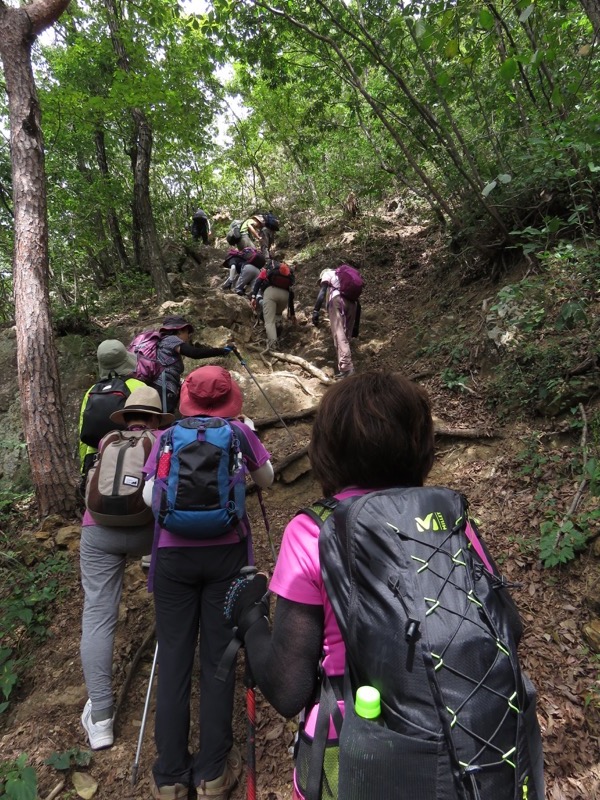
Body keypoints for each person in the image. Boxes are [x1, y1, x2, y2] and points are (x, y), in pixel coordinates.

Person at [223, 371, 543, 800]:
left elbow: (288, 687)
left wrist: (250, 619)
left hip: (356, 760)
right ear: (420, 445)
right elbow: (509, 628)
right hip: (469, 757)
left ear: (327, 448)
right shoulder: (449, 524)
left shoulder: (313, 530)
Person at [143, 366, 274, 800]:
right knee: (218, 659)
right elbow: (267, 480)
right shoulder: (239, 434)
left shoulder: (167, 438)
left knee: (175, 659)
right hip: (227, 557)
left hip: (174, 559)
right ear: (230, 398)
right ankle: (213, 772)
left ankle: (170, 776)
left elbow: (149, 497)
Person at [79, 386, 174, 750]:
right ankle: (171, 688)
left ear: (126, 416)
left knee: (99, 616)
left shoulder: (106, 441)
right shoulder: (163, 438)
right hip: (148, 530)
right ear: (154, 418)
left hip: (99, 529)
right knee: (170, 600)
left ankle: (101, 719)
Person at [79, 340, 146, 481]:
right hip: (132, 457)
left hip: (96, 459)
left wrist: (84, 470)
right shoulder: (140, 387)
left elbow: (83, 433)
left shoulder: (92, 392)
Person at [153, 315, 234, 414]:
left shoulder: (161, 341)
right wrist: (222, 351)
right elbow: (194, 353)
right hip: (165, 384)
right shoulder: (171, 340)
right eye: (187, 332)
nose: (188, 336)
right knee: (165, 416)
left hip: (159, 383)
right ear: (179, 331)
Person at [312, 267, 357, 379]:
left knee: (339, 334)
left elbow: (322, 292)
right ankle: (344, 369)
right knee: (345, 337)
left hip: (337, 301)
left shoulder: (327, 274)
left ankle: (347, 368)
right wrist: (356, 326)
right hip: (352, 304)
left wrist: (316, 310)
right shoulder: (342, 280)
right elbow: (358, 304)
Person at [251, 261, 296, 350]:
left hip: (271, 292)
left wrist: (253, 296)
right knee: (277, 314)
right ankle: (278, 331)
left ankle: (273, 346)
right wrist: (292, 313)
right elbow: (291, 293)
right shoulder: (287, 275)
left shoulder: (267, 270)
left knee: (269, 322)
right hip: (285, 296)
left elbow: (258, 281)